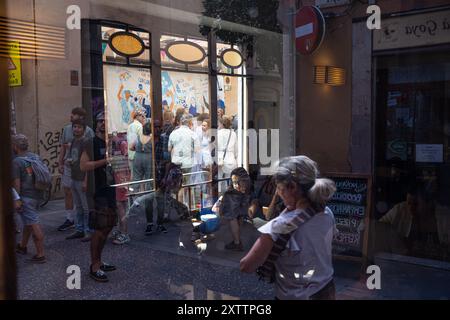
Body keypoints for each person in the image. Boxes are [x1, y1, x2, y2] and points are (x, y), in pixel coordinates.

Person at [240, 156, 337, 300]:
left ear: (292, 187)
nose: (279, 193)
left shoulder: (277, 227)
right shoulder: (326, 212)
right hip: (327, 290)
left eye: (279, 188)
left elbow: (246, 266)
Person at [80, 112, 118, 282]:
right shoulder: (90, 142)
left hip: (112, 188)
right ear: (96, 124)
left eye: (106, 121)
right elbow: (84, 165)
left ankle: (99, 261)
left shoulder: (112, 142)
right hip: (98, 191)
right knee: (100, 228)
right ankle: (94, 266)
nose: (103, 123)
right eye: (101, 121)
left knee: (108, 226)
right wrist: (106, 161)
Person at [57, 107, 95, 232]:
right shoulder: (68, 129)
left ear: (81, 118)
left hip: (82, 168)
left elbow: (90, 151)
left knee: (83, 197)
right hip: (69, 166)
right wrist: (60, 162)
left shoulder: (88, 131)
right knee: (68, 191)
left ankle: (86, 225)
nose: (71, 116)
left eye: (74, 115)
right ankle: (70, 219)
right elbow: (63, 147)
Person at [12, 134, 46, 263]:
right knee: (28, 221)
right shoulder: (35, 156)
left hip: (26, 197)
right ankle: (22, 246)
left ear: (15, 147)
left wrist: (17, 199)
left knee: (33, 223)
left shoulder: (16, 162)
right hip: (38, 195)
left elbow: (16, 183)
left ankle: (40, 254)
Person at [379, 184, 439, 256]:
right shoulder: (399, 210)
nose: (410, 208)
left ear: (428, 203)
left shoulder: (441, 216)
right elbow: (378, 227)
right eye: (409, 203)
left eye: (416, 204)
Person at [213, 167, 256, 251]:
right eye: (234, 183)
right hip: (226, 220)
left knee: (233, 217)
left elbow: (250, 213)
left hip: (249, 222)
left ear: (245, 181)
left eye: (239, 182)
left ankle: (237, 243)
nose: (236, 185)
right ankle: (237, 242)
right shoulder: (231, 194)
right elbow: (216, 210)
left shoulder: (250, 193)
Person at [143, 163, 189, 235]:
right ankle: (153, 223)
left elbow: (169, 164)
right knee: (156, 199)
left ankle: (160, 222)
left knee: (163, 200)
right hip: (158, 174)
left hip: (164, 174)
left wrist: (165, 176)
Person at [65, 119, 92, 242]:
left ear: (84, 129)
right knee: (79, 206)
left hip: (82, 178)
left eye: (79, 127)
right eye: (74, 127)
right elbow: (72, 157)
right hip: (74, 177)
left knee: (86, 207)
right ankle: (79, 229)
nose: (76, 129)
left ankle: (88, 231)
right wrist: (68, 161)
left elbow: (87, 163)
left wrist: (86, 180)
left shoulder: (86, 142)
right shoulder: (73, 141)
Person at [217, 115, 238, 191]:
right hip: (231, 159)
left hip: (220, 158)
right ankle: (227, 194)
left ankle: (219, 193)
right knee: (229, 180)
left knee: (219, 179)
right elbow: (236, 149)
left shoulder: (218, 133)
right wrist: (235, 157)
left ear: (222, 124)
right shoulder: (233, 134)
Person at [132, 121, 153, 192]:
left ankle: (135, 195)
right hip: (148, 157)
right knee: (149, 178)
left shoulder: (139, 137)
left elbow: (131, 147)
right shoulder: (152, 138)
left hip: (137, 156)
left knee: (136, 178)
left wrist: (138, 149)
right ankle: (148, 196)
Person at [127, 108, 146, 181]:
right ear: (138, 116)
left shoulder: (129, 126)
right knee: (140, 177)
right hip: (138, 155)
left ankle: (133, 191)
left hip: (131, 154)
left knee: (133, 175)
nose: (143, 118)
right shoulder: (139, 126)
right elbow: (142, 142)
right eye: (143, 116)